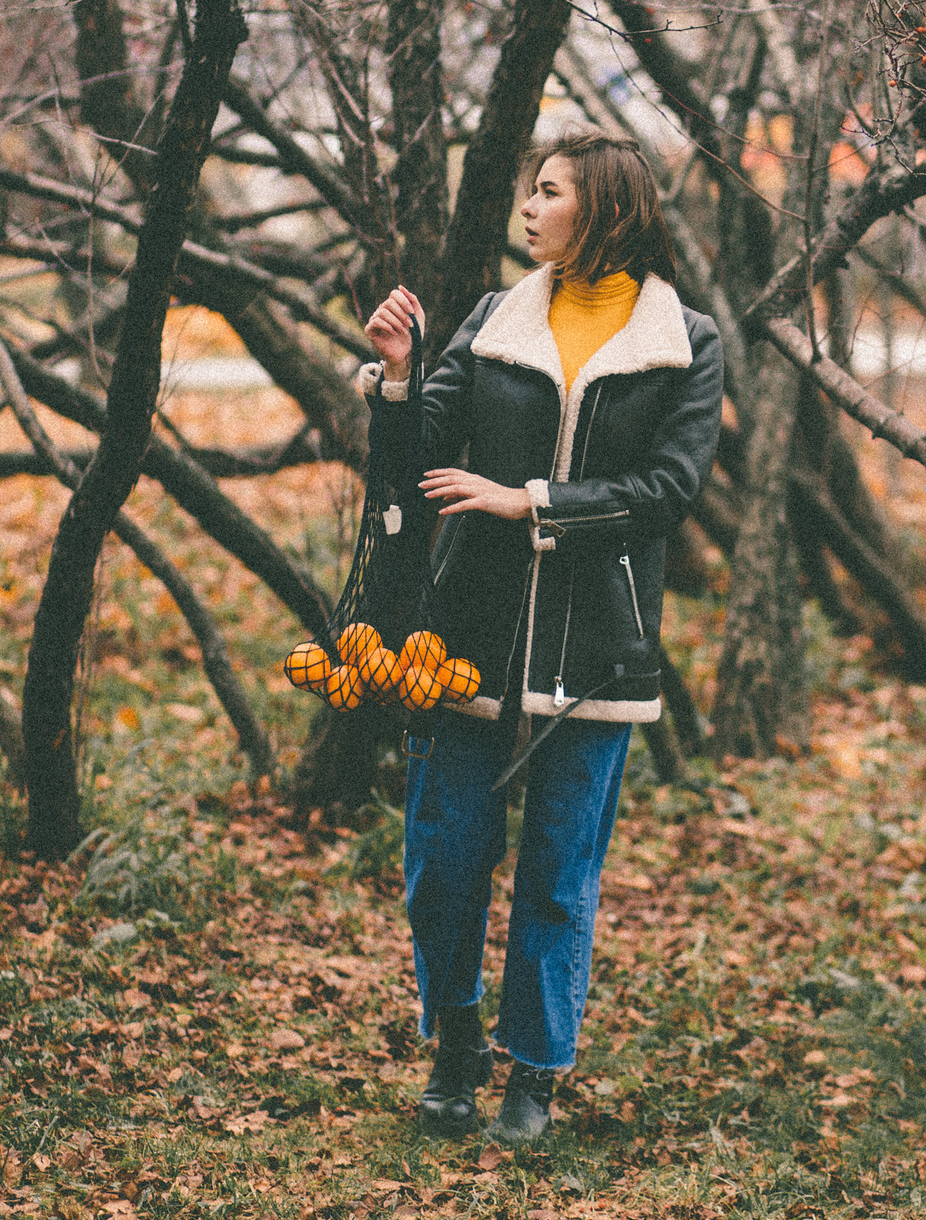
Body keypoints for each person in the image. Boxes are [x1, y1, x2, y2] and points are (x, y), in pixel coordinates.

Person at [359, 130, 724, 1144]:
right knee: (443, 860)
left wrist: (532, 502)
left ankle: (534, 1070)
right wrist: (398, 375)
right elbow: (414, 458)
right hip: (463, 636)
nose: (528, 207)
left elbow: (668, 491)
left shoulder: (684, 342)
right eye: (531, 191)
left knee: (559, 876)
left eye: (549, 191)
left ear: (604, 208)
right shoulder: (494, 319)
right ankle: (455, 1047)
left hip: (598, 646)